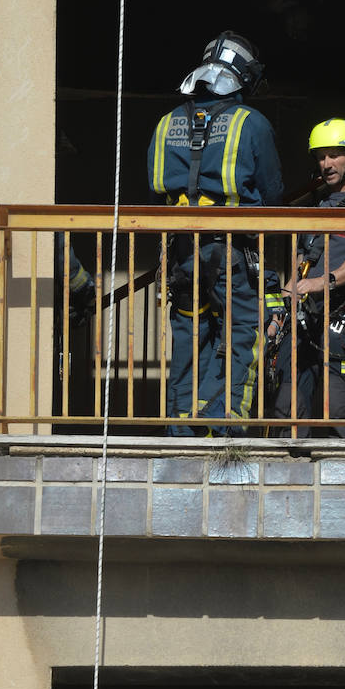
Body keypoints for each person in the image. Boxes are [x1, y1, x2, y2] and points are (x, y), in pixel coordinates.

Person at [147, 32, 284, 436]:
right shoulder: (251, 122)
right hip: (231, 247)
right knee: (245, 329)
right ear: (244, 76)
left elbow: (157, 186)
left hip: (181, 253)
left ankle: (184, 427)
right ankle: (226, 426)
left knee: (191, 336)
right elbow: (272, 193)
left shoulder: (167, 121)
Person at [271, 120, 345, 438]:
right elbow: (299, 270)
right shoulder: (316, 208)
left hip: (343, 318)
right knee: (288, 410)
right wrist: (279, 315)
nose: (326, 164)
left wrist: (322, 282)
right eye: (321, 157)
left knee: (339, 408)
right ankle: (288, 481)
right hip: (303, 320)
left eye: (335, 155)